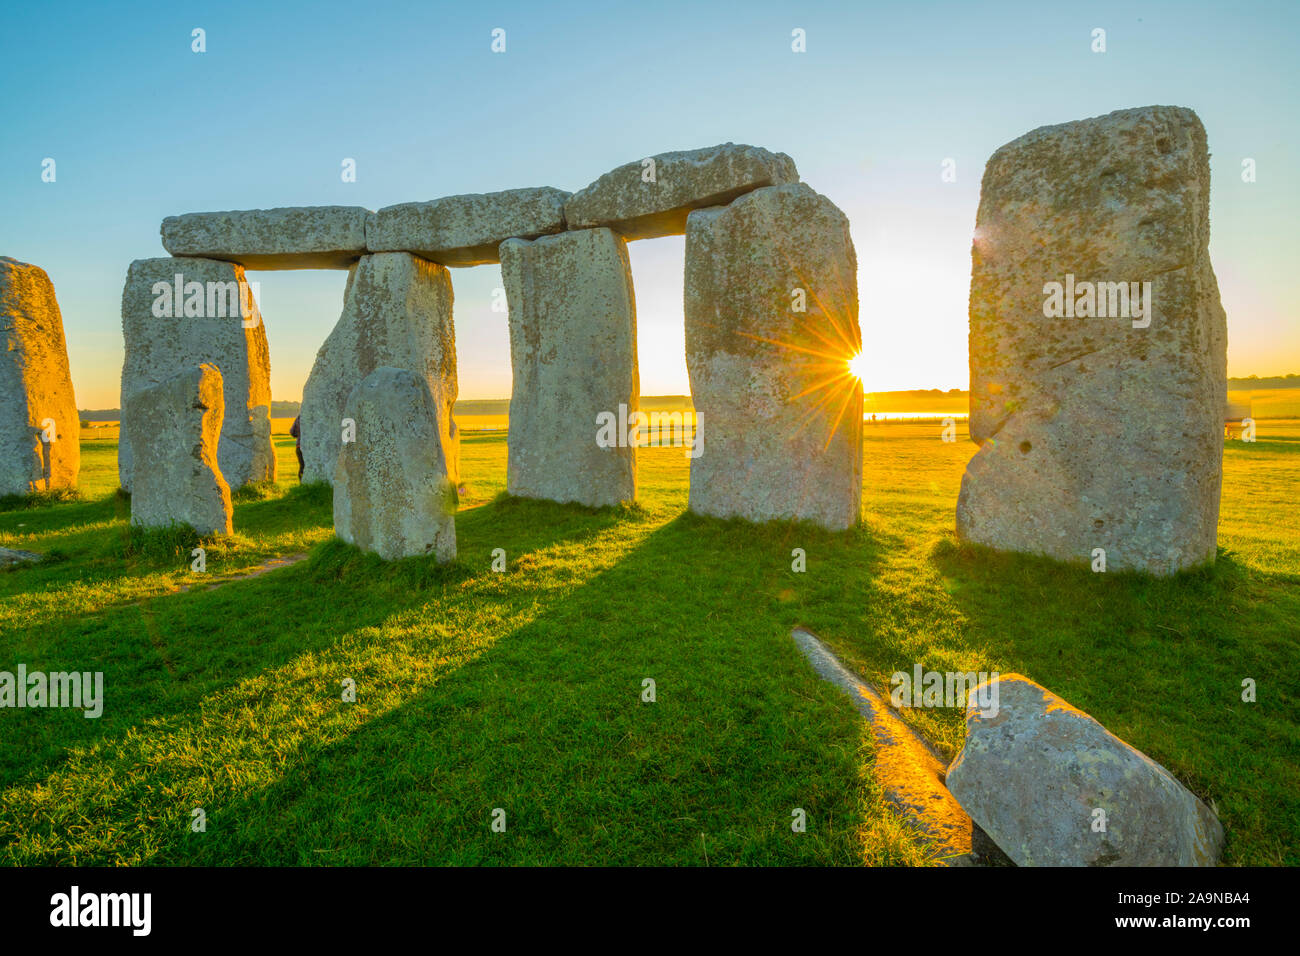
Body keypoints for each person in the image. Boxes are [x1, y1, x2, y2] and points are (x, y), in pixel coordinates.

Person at [290, 415, 304, 481]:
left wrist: (299, 435)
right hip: (313, 447)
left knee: (302, 466)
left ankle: (302, 483)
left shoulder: (299, 418)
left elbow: (292, 432)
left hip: (299, 446)